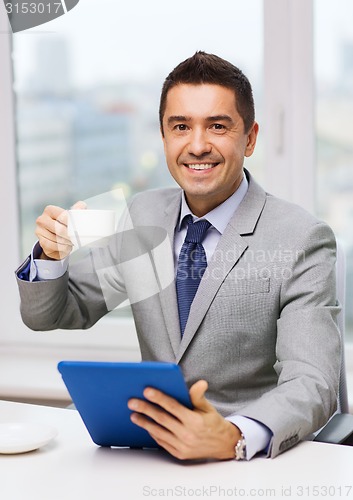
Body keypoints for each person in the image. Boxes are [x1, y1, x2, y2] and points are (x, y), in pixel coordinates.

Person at [16, 51, 341, 461]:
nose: (198, 145)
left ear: (251, 138)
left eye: (218, 126)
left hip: (244, 462)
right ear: (164, 137)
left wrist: (233, 436)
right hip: (148, 452)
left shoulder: (301, 237)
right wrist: (50, 256)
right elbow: (53, 314)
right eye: (181, 127)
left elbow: (313, 381)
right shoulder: (142, 214)